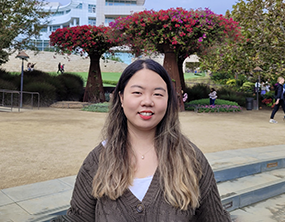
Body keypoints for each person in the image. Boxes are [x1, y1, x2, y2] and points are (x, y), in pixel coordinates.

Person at [52, 59, 231, 222]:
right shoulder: (97, 161)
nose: (147, 101)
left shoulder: (191, 159)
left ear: (168, 100)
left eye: (158, 94)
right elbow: (78, 218)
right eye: (137, 92)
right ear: (121, 98)